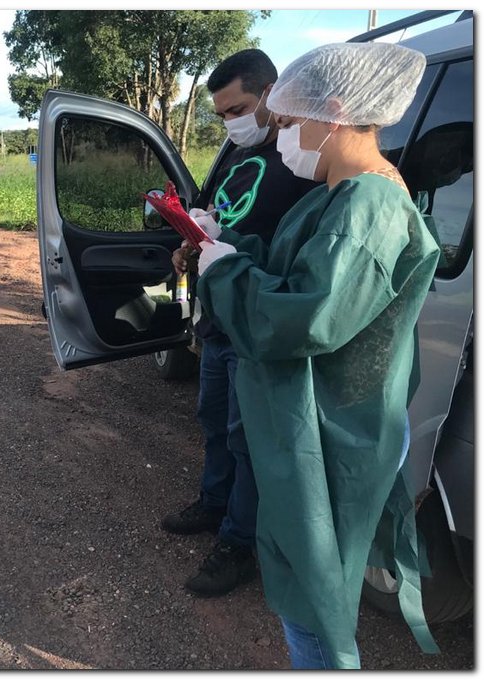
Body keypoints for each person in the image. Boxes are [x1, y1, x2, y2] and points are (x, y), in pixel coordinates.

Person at [194, 42, 440, 668]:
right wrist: (230, 243)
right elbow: (291, 266)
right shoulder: (336, 192)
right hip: (322, 418)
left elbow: (307, 315)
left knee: (314, 602)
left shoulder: (368, 206)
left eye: (287, 122)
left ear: (334, 112)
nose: (281, 139)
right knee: (305, 584)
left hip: (338, 428)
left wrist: (225, 273)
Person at [159, 49, 319, 598]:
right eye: (223, 114)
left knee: (248, 436)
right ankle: (214, 502)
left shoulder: (303, 155)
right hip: (219, 317)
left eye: (238, 109)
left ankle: (239, 542)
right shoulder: (235, 148)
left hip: (257, 319)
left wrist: (225, 251)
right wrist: (190, 243)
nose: (231, 123)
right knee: (214, 419)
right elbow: (214, 214)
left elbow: (293, 252)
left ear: (271, 93)